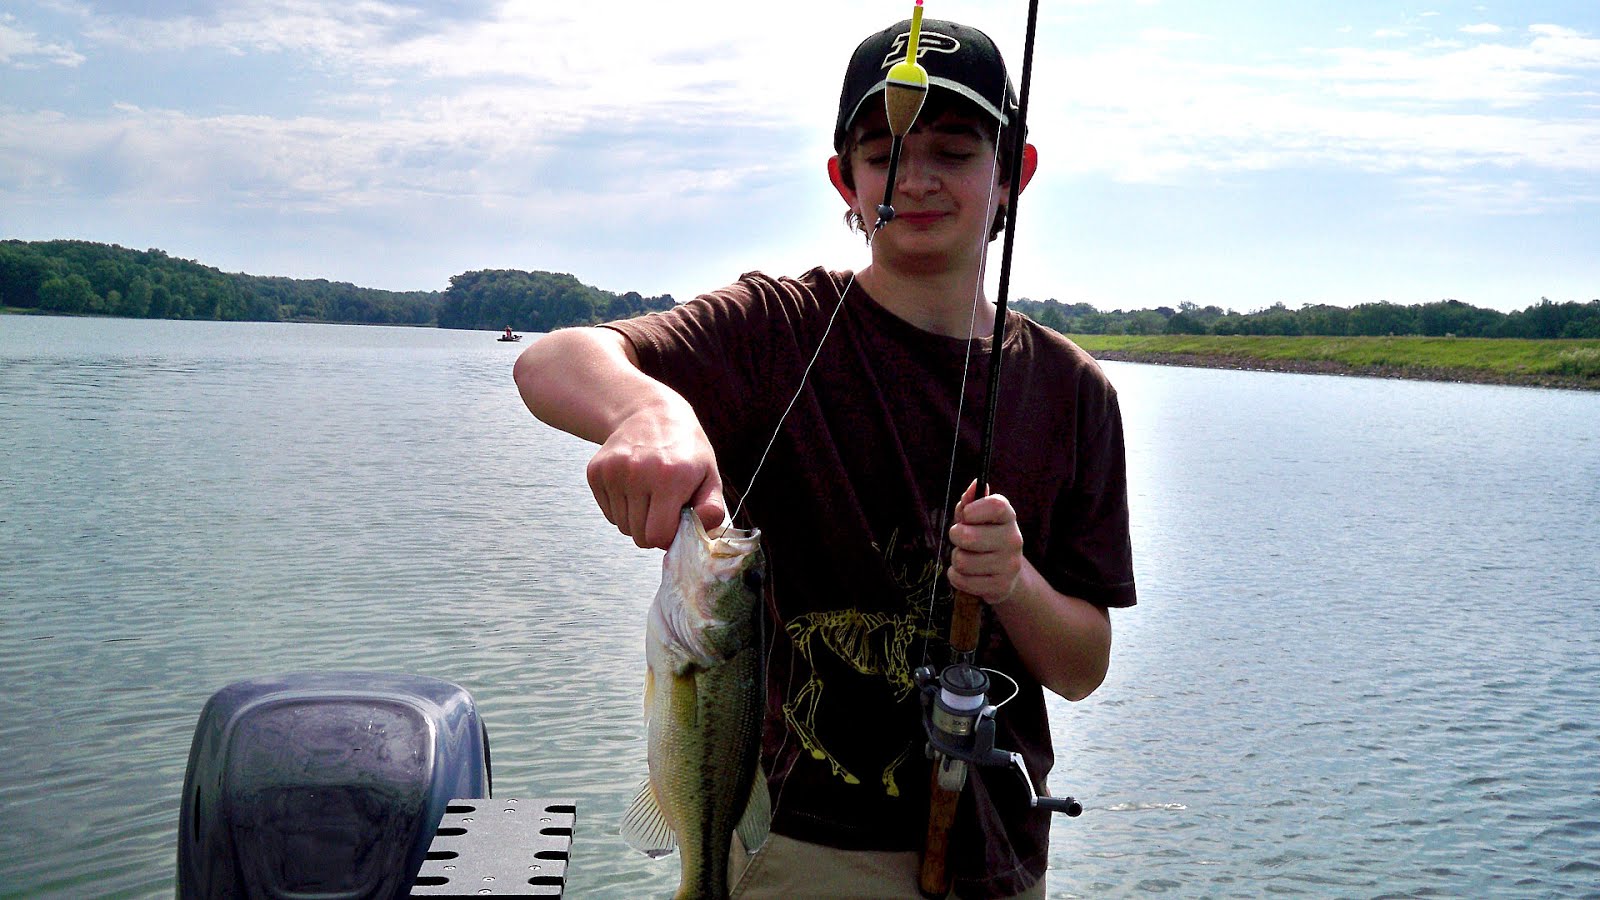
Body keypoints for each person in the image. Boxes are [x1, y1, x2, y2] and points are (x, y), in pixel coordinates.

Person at [514, 14, 1135, 899]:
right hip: (795, 851)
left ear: (1013, 177)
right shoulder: (777, 330)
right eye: (883, 155)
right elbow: (550, 361)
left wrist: (1014, 583)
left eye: (954, 151)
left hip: (996, 858)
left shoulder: (1075, 394)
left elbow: (1083, 667)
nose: (914, 180)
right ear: (845, 180)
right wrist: (648, 409)